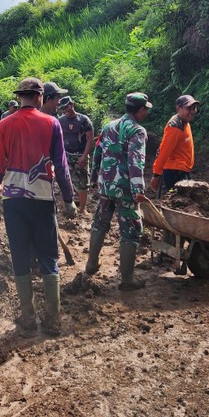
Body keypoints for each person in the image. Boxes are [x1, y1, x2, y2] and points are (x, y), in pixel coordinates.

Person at [0, 77, 76, 337]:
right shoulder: (52, 123)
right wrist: (69, 198)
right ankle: (53, 320)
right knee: (49, 256)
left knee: (19, 255)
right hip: (42, 198)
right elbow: (61, 165)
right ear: (39, 97)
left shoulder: (4, 124)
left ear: (20, 97)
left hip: (13, 199)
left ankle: (27, 318)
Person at [85, 93, 152, 291]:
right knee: (130, 230)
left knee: (100, 222)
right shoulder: (137, 131)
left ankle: (91, 264)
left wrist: (94, 178)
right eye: (145, 109)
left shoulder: (108, 126)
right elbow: (136, 161)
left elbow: (97, 152)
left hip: (106, 185)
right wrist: (138, 189)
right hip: (125, 189)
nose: (146, 113)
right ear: (140, 110)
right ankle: (127, 280)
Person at [149, 94, 200, 194]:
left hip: (182, 170)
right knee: (174, 200)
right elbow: (164, 151)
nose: (192, 111)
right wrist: (156, 175)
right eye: (189, 108)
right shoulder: (175, 127)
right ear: (178, 108)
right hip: (173, 173)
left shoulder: (184, 122)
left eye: (194, 108)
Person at [57, 96, 94, 214]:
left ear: (72, 105)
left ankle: (82, 209)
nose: (65, 110)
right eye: (62, 108)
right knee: (65, 180)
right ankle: (67, 207)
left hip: (80, 155)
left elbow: (90, 138)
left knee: (83, 183)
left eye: (67, 107)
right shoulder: (60, 120)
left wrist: (84, 156)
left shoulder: (83, 120)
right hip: (66, 155)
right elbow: (58, 139)